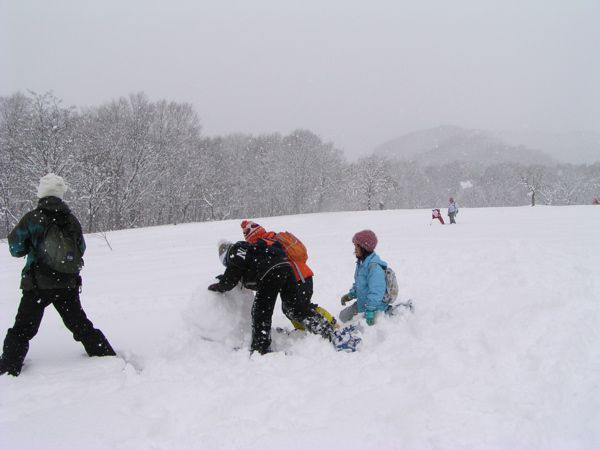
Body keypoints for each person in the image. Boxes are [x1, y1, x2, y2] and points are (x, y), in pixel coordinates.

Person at [0, 174, 115, 377]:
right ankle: (105, 355)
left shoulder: (33, 218)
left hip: (37, 286)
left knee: (23, 328)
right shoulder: (71, 220)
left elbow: (16, 249)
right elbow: (81, 248)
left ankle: (9, 367)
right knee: (80, 324)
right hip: (67, 284)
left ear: (41, 194)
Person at [208, 238, 336, 354]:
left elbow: (231, 276)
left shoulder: (235, 251)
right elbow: (241, 270)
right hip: (286, 267)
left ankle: (260, 348)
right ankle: (325, 329)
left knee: (260, 313)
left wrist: (220, 286)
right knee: (294, 307)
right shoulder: (248, 248)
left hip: (271, 272)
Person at [339, 230, 389, 326]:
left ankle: (391, 311)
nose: (355, 249)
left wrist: (370, 310)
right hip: (362, 303)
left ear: (364, 247)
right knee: (342, 317)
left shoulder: (374, 267)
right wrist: (350, 295)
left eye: (357, 247)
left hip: (374, 307)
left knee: (362, 329)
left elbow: (377, 291)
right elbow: (360, 284)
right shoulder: (361, 264)